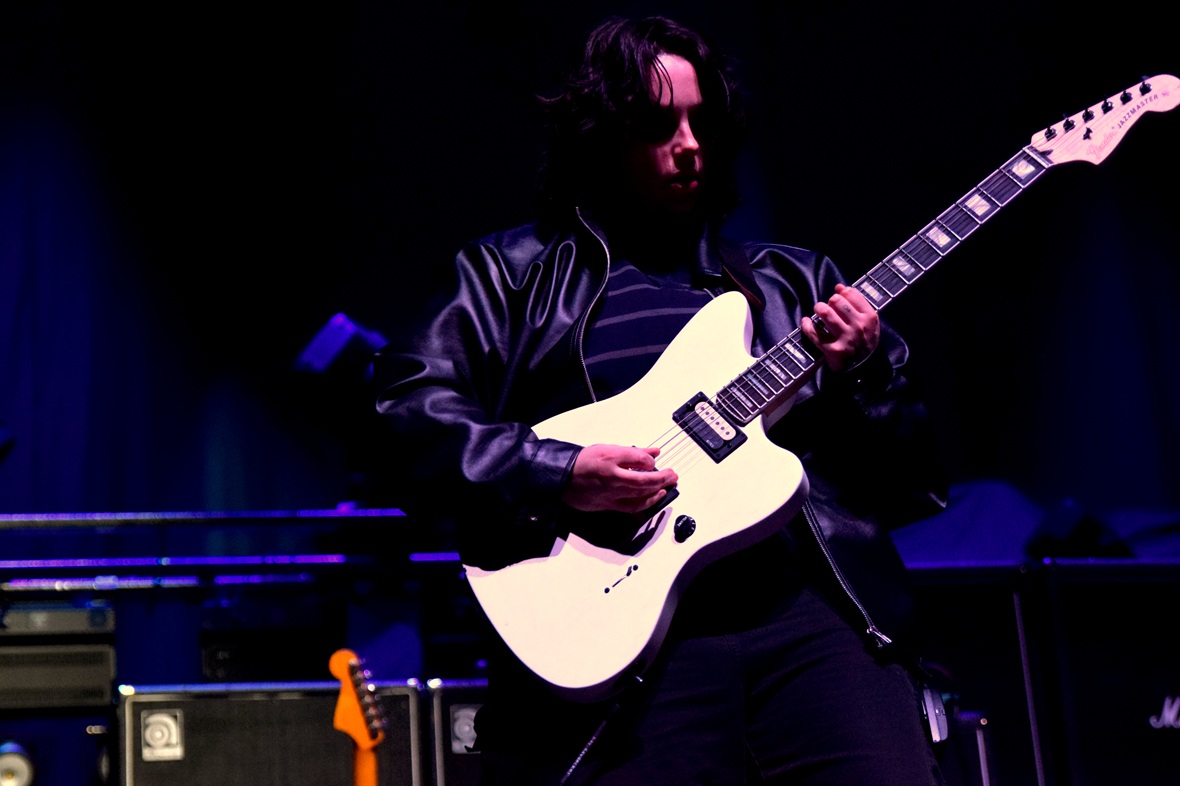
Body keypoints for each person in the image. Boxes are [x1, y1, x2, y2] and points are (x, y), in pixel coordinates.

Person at [374, 15, 949, 786]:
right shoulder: (508, 275)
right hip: (629, 643)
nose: (689, 144)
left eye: (702, 121)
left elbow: (911, 485)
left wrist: (866, 375)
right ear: (600, 136)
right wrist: (559, 470)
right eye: (658, 124)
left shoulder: (796, 284)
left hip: (809, 622)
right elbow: (406, 413)